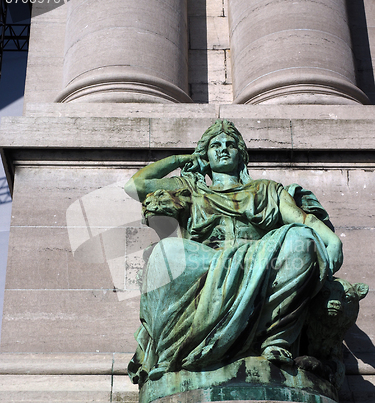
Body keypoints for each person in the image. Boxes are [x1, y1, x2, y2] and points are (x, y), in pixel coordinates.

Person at [124, 120, 343, 385]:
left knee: (301, 238)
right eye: (215, 146)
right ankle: (174, 351)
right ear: (206, 155)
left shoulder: (267, 190)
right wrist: (185, 158)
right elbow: (135, 185)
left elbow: (301, 220)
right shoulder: (190, 189)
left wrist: (332, 240)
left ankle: (274, 340)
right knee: (165, 252)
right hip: (207, 261)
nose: (223, 149)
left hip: (262, 260)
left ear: (241, 154)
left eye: (230, 145)